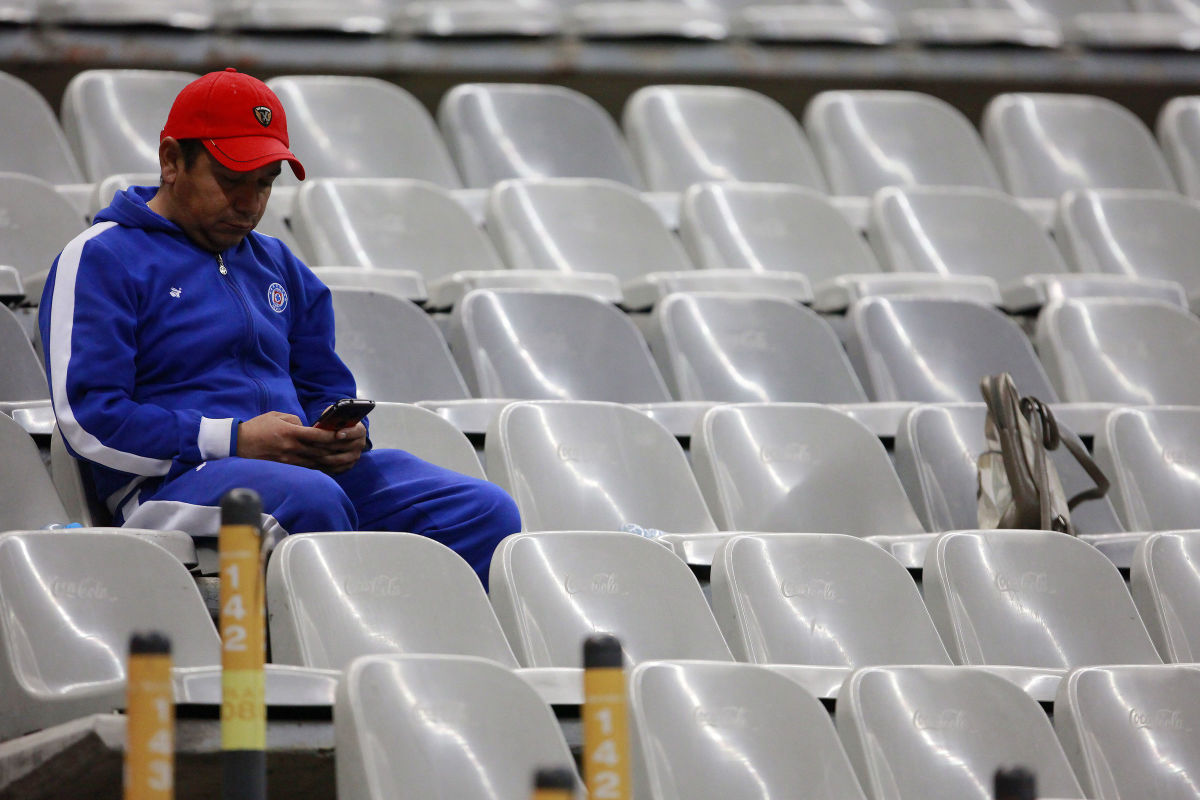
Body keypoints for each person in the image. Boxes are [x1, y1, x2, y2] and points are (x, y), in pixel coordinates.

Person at [39, 68, 520, 587]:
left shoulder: (280, 265)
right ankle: (335, 658)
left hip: (298, 474)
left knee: (483, 511)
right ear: (172, 161)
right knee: (312, 501)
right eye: (229, 181)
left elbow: (322, 387)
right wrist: (235, 440)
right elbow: (91, 421)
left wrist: (335, 434)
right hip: (170, 484)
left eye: (265, 184)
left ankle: (421, 658)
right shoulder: (100, 258)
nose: (250, 204)